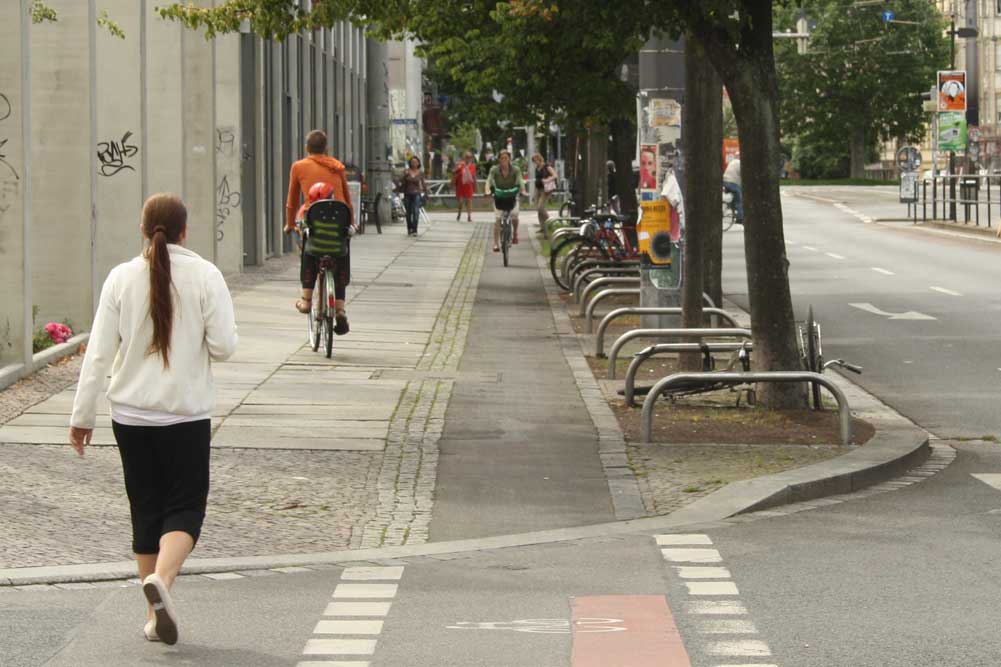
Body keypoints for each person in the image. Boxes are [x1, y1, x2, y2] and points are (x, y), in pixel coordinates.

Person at [69, 193, 238, 646]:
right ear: (184, 231)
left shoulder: (121, 278)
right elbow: (224, 346)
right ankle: (162, 579)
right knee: (185, 506)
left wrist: (82, 415)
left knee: (145, 508)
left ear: (143, 230)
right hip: (185, 413)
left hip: (131, 415)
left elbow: (99, 352)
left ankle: (152, 614)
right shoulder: (206, 275)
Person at [285, 130, 354, 332]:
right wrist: (352, 223)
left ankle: (306, 300)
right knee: (341, 258)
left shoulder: (299, 167)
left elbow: (291, 202)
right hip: (339, 219)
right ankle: (340, 309)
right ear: (326, 148)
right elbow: (348, 200)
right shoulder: (337, 167)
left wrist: (290, 224)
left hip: (314, 218)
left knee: (309, 253)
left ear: (307, 148)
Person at [293, 181, 354, 335]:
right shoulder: (341, 211)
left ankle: (306, 301)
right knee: (342, 261)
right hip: (337, 251)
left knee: (308, 257)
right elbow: (350, 229)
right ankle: (340, 309)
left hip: (316, 250)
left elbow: (301, 228)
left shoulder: (309, 212)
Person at [484, 149, 527, 252]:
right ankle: (495, 243)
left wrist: (523, 190)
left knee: (515, 216)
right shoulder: (494, 169)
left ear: (509, 159)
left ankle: (515, 233)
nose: (504, 160)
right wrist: (487, 190)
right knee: (498, 219)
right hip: (499, 195)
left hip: (512, 195)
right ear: (499, 159)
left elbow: (520, 180)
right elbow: (489, 180)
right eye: (502, 158)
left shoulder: (515, 169)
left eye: (506, 158)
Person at [399, 156, 428, 236]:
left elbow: (423, 183)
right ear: (410, 163)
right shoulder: (406, 171)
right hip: (407, 194)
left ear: (418, 163)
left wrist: (426, 193)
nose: (414, 163)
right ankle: (409, 228)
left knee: (416, 212)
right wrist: (405, 175)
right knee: (408, 213)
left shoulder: (420, 172)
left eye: (415, 162)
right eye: (412, 162)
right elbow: (400, 180)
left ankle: (415, 229)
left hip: (417, 194)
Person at [531, 153, 557, 227]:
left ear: (539, 159)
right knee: (538, 209)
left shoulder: (546, 166)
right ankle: (542, 227)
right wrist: (534, 194)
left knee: (540, 207)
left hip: (545, 189)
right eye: (533, 161)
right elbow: (537, 180)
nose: (535, 162)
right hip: (538, 188)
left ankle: (550, 223)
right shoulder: (537, 168)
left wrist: (548, 179)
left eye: (535, 160)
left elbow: (555, 175)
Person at [452, 151, 477, 222]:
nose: (468, 159)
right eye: (467, 157)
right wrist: (457, 168)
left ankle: (469, 216)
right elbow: (453, 172)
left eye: (469, 157)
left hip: (469, 187)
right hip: (460, 187)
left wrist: (475, 186)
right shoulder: (460, 165)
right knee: (460, 202)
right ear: (464, 157)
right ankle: (459, 213)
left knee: (469, 201)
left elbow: (474, 176)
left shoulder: (472, 166)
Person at [723, 156, 743, 224]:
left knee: (734, 198)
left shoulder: (732, 161)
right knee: (739, 200)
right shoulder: (740, 163)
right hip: (732, 183)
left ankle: (731, 208)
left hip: (725, 182)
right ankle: (740, 219)